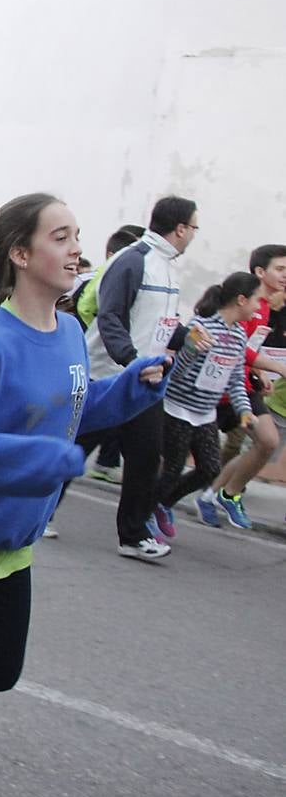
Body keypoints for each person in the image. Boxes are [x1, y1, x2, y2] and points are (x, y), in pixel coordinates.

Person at [0, 193, 167, 724]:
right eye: (60, 237)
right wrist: (36, 460)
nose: (76, 251)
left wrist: (132, 389)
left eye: (77, 238)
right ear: (20, 254)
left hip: (15, 544)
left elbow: (74, 406)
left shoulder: (68, 330)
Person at [82, 196, 199, 560]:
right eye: (194, 227)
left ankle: (131, 536)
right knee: (72, 452)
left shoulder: (167, 267)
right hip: (109, 376)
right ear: (180, 228)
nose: (194, 234)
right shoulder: (134, 260)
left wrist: (186, 337)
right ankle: (38, 514)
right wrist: (133, 361)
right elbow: (111, 317)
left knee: (147, 456)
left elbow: (157, 323)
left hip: (146, 380)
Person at [156, 273, 258, 537]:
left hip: (205, 413)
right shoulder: (201, 325)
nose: (258, 307)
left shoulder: (238, 335)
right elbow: (176, 373)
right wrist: (192, 350)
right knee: (172, 469)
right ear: (241, 300)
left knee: (210, 469)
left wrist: (245, 411)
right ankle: (145, 512)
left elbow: (236, 380)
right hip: (178, 408)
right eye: (256, 300)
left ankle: (163, 503)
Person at [196, 244, 286, 528]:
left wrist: (259, 373)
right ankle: (166, 501)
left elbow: (249, 347)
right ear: (260, 271)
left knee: (266, 441)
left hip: (243, 387)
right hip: (217, 388)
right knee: (190, 456)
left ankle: (223, 494)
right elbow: (238, 346)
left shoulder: (267, 307)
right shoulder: (251, 304)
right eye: (280, 269)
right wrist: (276, 368)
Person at [75, 225, 144, 483]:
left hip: (125, 372)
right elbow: (87, 306)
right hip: (100, 367)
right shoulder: (118, 266)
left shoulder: (149, 271)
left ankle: (106, 464)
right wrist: (100, 335)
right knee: (74, 447)